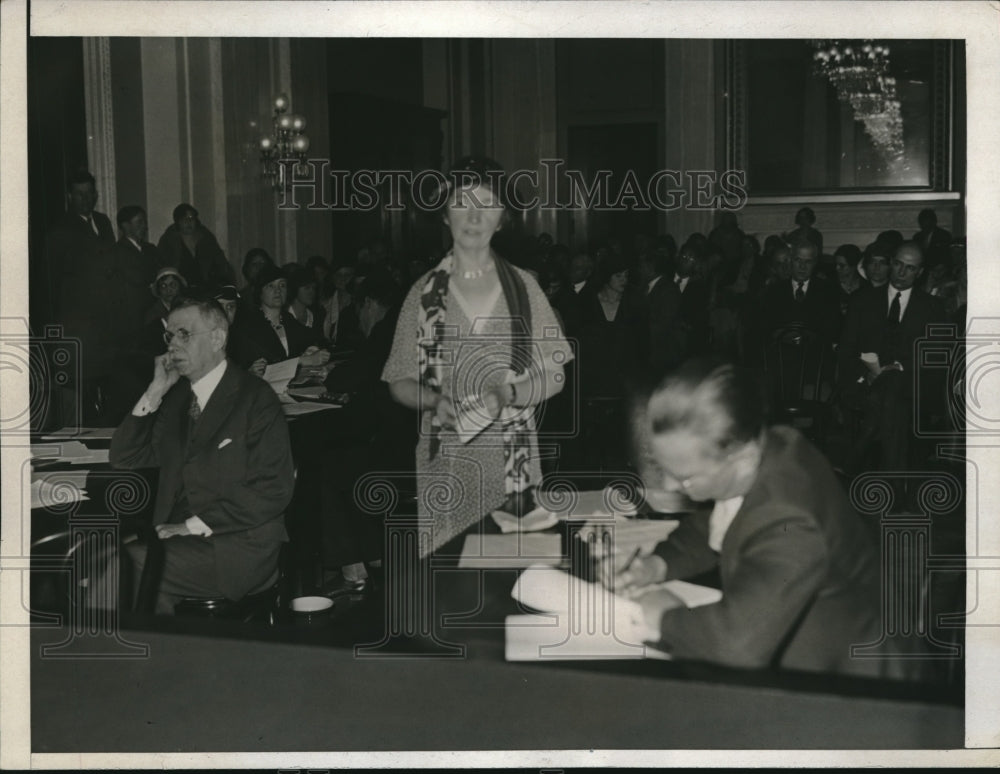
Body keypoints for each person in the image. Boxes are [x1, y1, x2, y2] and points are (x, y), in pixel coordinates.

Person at [606, 358, 896, 677]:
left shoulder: (790, 518)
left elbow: (737, 645)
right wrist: (656, 565)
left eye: (685, 477)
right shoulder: (769, 444)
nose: (669, 486)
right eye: (665, 469)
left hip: (851, 685)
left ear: (741, 460)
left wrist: (664, 615)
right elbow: (715, 520)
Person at [383, 156, 572, 554]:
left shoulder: (524, 288)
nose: (473, 215)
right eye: (462, 201)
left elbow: (555, 375)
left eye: (486, 203)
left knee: (514, 574)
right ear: (445, 214)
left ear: (502, 218)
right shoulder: (422, 293)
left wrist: (509, 394)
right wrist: (433, 400)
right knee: (450, 581)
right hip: (446, 462)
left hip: (512, 459)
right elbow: (398, 381)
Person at [110, 295, 294, 615]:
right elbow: (124, 457)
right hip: (178, 540)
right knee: (108, 562)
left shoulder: (255, 398)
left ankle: (101, 661)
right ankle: (157, 658)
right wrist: (155, 391)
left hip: (238, 545)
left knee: (127, 565)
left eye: (184, 335)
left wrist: (192, 526)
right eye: (170, 336)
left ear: (218, 339)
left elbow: (273, 489)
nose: (173, 346)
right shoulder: (178, 399)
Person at [838, 242, 947, 477]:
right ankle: (896, 486)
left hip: (914, 387)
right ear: (891, 264)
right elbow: (845, 351)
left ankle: (858, 450)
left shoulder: (933, 308)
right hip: (866, 384)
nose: (901, 272)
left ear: (919, 273)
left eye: (910, 268)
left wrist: (898, 369)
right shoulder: (862, 301)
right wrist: (865, 374)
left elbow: (936, 359)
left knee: (894, 384)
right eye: (898, 264)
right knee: (893, 403)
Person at [230, 264, 331, 377]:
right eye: (271, 286)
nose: (278, 290)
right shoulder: (248, 326)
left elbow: (313, 339)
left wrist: (312, 349)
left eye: (282, 285)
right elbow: (270, 364)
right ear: (260, 292)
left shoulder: (288, 319)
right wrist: (305, 360)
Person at [157, 203, 234, 290]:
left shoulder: (207, 239)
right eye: (184, 219)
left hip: (207, 289)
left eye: (191, 218)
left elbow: (222, 265)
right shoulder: (168, 241)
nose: (188, 222)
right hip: (180, 291)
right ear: (177, 222)